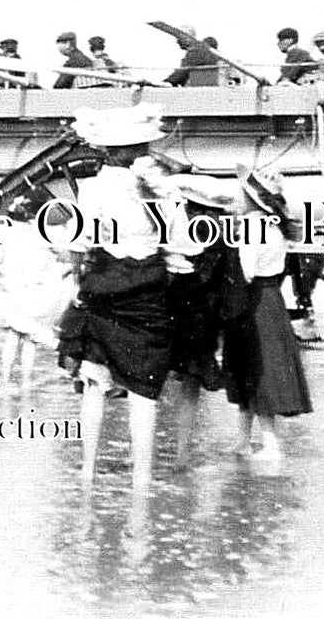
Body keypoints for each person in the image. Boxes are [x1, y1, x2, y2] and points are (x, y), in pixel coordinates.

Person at [57, 106, 197, 490]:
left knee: (95, 381)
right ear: (142, 148)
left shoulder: (93, 188)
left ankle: (87, 471)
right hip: (149, 292)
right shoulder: (163, 189)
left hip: (103, 288)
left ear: (107, 151)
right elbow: (184, 245)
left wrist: (78, 286)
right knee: (144, 388)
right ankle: (141, 477)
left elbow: (77, 243)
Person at [225, 165, 313, 463]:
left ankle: (269, 444)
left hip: (254, 303)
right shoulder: (273, 226)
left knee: (255, 371)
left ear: (251, 198)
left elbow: (245, 272)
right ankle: (243, 439)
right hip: (271, 299)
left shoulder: (253, 226)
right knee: (256, 369)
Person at [164, 179, 244, 467]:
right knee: (190, 387)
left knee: (154, 385)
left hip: (174, 313)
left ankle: (177, 454)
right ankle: (182, 455)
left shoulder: (177, 224)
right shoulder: (222, 234)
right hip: (203, 319)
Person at [0, 186, 75, 387]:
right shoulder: (44, 233)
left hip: (11, 292)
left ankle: (5, 380)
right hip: (36, 294)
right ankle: (26, 383)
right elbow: (64, 255)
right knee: (30, 339)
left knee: (14, 335)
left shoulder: (3, 230)